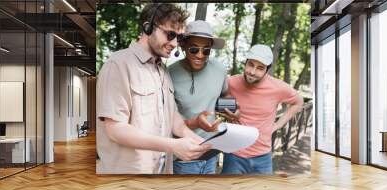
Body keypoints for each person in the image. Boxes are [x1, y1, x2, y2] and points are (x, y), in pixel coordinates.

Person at [96, 3, 211, 174]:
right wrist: (172, 145)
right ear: (148, 28)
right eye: (170, 34)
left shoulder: (162, 70)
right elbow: (115, 129)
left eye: (178, 38)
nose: (174, 43)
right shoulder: (118, 64)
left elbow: (174, 120)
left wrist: (203, 143)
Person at [220, 44, 303, 175]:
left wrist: (278, 125)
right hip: (234, 155)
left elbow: (298, 102)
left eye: (260, 68)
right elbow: (215, 102)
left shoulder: (278, 87)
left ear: (267, 70)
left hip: (263, 157)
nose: (252, 72)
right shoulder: (230, 82)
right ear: (245, 62)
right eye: (250, 64)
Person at [168, 20, 228, 174]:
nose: (200, 55)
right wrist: (194, 123)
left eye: (206, 50)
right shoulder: (168, 74)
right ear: (183, 46)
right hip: (184, 158)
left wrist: (232, 111)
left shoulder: (220, 70)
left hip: (211, 153)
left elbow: (224, 95)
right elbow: (166, 120)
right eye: (194, 49)